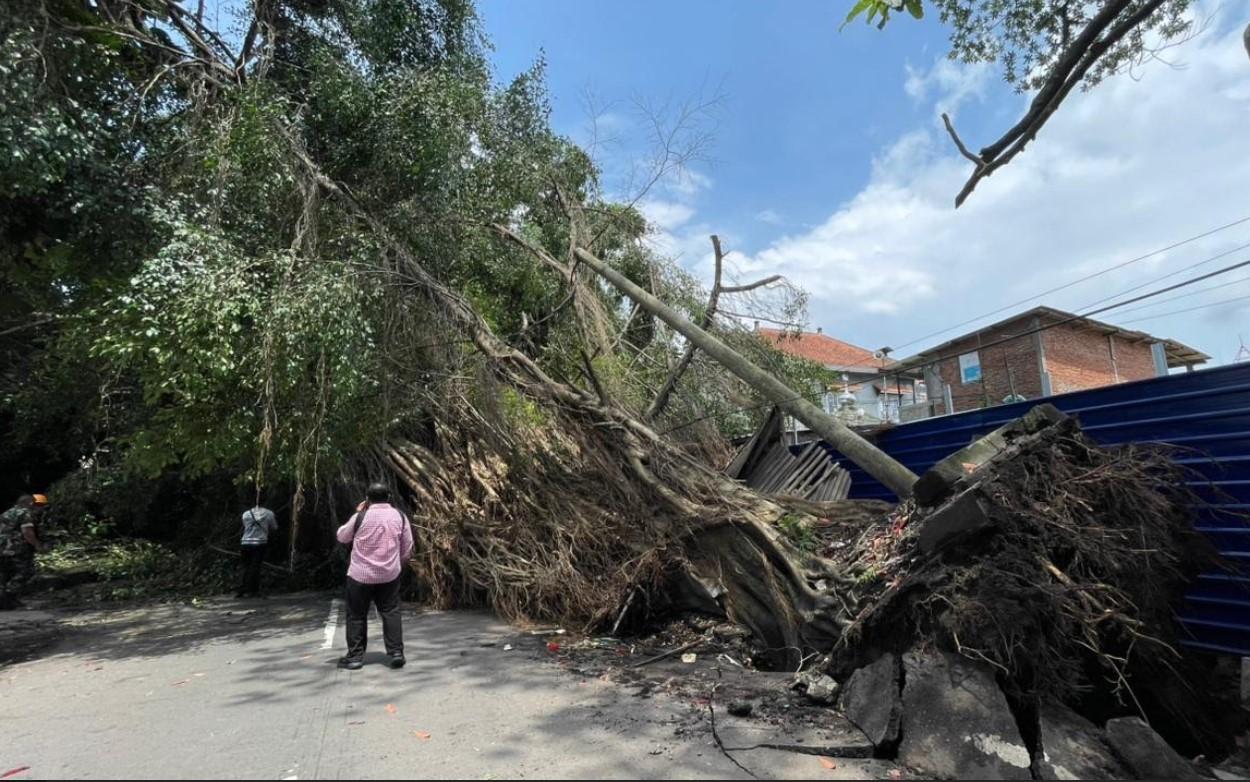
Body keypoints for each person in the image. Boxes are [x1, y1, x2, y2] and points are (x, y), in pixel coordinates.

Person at [335, 482, 413, 670]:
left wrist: (358, 513)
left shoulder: (360, 517)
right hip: (389, 575)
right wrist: (397, 564)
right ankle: (396, 652)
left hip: (360, 576)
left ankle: (355, 657)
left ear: (367, 499)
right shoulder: (400, 516)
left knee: (356, 615)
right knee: (391, 612)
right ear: (389, 497)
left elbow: (342, 536)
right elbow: (407, 546)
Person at [0, 494, 48, 610]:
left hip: (2, 549)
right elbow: (27, 533)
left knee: (5, 574)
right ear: (31, 503)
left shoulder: (6, 513)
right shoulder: (25, 513)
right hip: (17, 549)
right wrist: (38, 546)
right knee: (26, 572)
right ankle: (7, 596)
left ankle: (7, 601)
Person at [237, 503, 277, 598]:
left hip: (245, 542)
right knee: (255, 566)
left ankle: (242, 589)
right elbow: (274, 527)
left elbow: (245, 526)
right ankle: (254, 590)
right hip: (260, 543)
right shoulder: (269, 513)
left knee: (245, 566)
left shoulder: (246, 514)